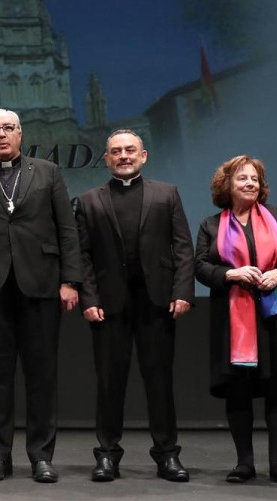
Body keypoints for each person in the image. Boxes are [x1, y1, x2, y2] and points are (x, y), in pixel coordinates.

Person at [0, 108, 83, 483]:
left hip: (41, 286)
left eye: (8, 128)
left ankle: (41, 456)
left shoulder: (48, 172)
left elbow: (66, 229)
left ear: (20, 134)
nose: (2, 135)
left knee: (42, 376)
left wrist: (71, 280)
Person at [75, 129, 194, 482]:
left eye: (130, 150)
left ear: (144, 155)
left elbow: (182, 246)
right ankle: (107, 455)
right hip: (108, 307)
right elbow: (82, 256)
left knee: (160, 382)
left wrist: (183, 291)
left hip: (157, 303)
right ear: (106, 159)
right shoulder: (89, 200)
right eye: (116, 151)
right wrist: (89, 298)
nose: (123, 156)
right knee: (109, 384)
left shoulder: (167, 193)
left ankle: (167, 455)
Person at [194, 155, 277, 485]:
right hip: (233, 321)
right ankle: (244, 463)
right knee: (238, 389)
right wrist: (230, 274)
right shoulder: (210, 225)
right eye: (242, 178)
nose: (250, 183)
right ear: (227, 185)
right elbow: (200, 266)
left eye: (255, 179)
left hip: (274, 315)